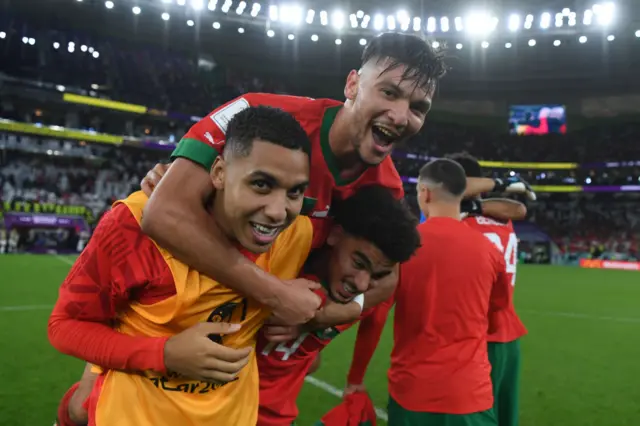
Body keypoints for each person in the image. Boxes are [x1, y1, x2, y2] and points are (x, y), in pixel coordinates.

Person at [137, 32, 454, 326]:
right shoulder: (254, 113)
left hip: (247, 340)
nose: (400, 116)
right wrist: (274, 294)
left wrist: (327, 315)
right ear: (352, 85)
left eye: (418, 108)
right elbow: (163, 214)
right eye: (389, 92)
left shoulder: (385, 189)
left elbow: (388, 275)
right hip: (164, 308)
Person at [49, 106, 317, 426]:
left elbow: (373, 263)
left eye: (295, 191)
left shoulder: (299, 235)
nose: (278, 211)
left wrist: (327, 311)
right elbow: (64, 326)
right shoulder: (134, 225)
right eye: (260, 184)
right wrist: (164, 354)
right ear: (218, 172)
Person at [257, 185, 421, 426]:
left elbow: (389, 282)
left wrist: (319, 320)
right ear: (334, 234)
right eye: (358, 262)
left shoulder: (348, 298)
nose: (363, 284)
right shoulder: (281, 262)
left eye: (377, 275)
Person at [390, 159, 511, 425]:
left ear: (425, 193)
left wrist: (356, 377)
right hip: (469, 394)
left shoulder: (402, 248)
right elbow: (499, 307)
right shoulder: (490, 251)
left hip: (412, 390)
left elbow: (375, 314)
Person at [449, 153, 528, 426]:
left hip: (475, 338)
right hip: (508, 336)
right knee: (506, 416)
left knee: (474, 416)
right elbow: (519, 209)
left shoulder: (458, 222)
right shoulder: (502, 219)